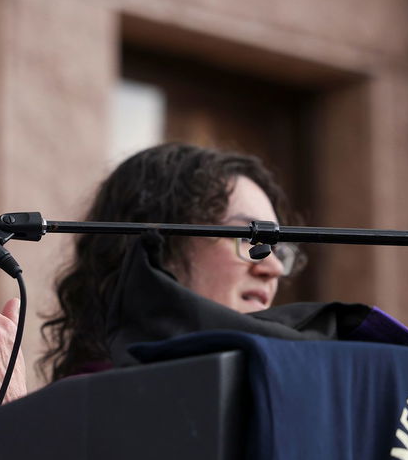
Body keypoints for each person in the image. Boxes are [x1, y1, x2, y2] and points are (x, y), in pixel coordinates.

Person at [40, 142, 299, 380]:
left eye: (276, 249)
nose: (273, 268)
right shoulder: (91, 401)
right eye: (247, 237)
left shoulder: (270, 384)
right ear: (161, 251)